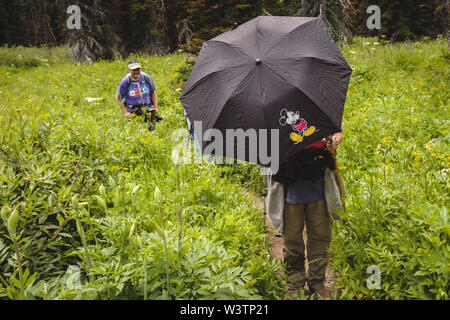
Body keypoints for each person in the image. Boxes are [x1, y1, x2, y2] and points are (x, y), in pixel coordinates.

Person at [270, 131, 343, 298]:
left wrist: (337, 137)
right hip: (290, 184)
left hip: (320, 183)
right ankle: (295, 283)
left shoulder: (317, 107)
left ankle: (316, 282)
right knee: (292, 239)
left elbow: (335, 128)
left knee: (320, 236)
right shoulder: (274, 114)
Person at [115, 59, 160, 130]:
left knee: (152, 131)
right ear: (129, 70)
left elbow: (153, 92)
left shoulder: (146, 77)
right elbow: (118, 98)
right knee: (136, 132)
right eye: (133, 69)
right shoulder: (126, 81)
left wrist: (155, 107)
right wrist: (126, 112)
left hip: (148, 109)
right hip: (133, 111)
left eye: (138, 69)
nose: (136, 71)